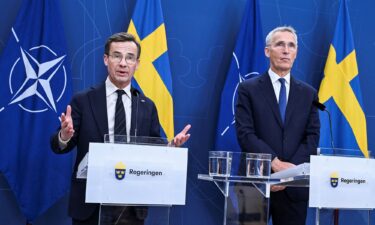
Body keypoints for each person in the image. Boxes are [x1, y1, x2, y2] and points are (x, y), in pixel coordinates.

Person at [50, 32, 191, 225]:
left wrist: (171, 149)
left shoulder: (147, 106)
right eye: (117, 56)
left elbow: (153, 151)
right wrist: (64, 135)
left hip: (131, 206)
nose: (123, 63)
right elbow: (59, 147)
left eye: (130, 58)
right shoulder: (83, 100)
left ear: (137, 64)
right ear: (106, 59)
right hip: (91, 205)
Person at [235, 26, 320, 225]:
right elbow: (245, 133)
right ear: (267, 51)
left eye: (291, 46)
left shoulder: (309, 93)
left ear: (296, 53)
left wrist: (289, 174)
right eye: (280, 44)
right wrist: (273, 163)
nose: (286, 50)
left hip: (294, 187)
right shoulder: (248, 89)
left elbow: (312, 136)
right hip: (256, 182)